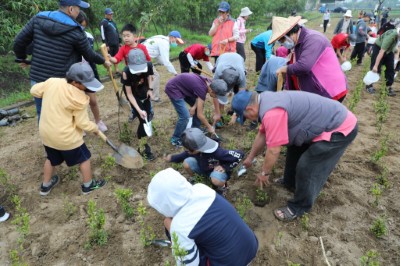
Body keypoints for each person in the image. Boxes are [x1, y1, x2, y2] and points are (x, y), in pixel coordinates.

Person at [232, 90, 358, 221]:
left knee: (308, 166)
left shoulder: (272, 113)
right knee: (294, 147)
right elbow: (262, 135)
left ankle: (299, 207)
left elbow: (274, 150)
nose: (248, 120)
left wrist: (264, 174)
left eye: (245, 116)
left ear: (250, 108)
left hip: (339, 126)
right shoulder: (265, 101)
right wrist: (250, 158)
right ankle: (290, 182)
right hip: (319, 122)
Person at [13, 0, 109, 121]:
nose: (79, 12)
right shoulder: (76, 31)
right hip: (61, 83)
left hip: (38, 80)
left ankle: (47, 140)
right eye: (78, 8)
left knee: (43, 116)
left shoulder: (38, 18)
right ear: (71, 9)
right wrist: (104, 61)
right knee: (64, 118)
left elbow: (18, 42)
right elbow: (89, 54)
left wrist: (22, 58)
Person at [147, 168, 258, 265]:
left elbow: (188, 265)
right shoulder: (201, 189)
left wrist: (172, 230)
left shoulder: (179, 227)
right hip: (251, 246)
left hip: (232, 263)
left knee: (168, 223)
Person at [30, 63, 107, 196]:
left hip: (47, 134)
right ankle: (88, 185)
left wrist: (49, 93)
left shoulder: (52, 82)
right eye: (86, 84)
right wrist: (94, 128)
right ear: (76, 83)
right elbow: (82, 123)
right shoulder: (80, 98)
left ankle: (45, 186)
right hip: (67, 138)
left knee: (51, 158)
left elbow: (34, 90)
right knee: (84, 158)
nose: (88, 88)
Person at [272, 16, 348, 102]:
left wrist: (284, 69)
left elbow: (304, 66)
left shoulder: (313, 39)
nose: (282, 43)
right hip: (313, 93)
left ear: (291, 33)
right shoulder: (294, 44)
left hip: (329, 91)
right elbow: (292, 67)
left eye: (282, 39)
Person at [165, 127, 244, 194]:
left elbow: (240, 154)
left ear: (196, 149)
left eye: (187, 149)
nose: (186, 150)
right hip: (204, 169)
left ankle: (222, 187)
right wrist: (172, 158)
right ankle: (197, 179)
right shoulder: (195, 149)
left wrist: (225, 167)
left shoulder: (217, 152)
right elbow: (184, 155)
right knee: (187, 163)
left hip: (216, 173)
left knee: (215, 180)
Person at [165, 73, 220, 147]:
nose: (216, 97)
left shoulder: (210, 83)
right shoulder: (202, 88)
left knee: (198, 108)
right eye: (216, 95)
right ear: (212, 91)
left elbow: (198, 97)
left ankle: (196, 129)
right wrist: (209, 127)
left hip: (185, 88)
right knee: (185, 116)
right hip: (173, 88)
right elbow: (200, 115)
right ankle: (175, 139)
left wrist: (194, 107)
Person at [76, 11, 108, 132]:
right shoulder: (68, 36)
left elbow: (91, 54)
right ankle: (80, 125)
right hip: (75, 75)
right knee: (78, 103)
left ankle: (98, 121)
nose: (82, 28)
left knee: (93, 101)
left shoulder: (88, 36)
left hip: (88, 73)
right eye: (80, 25)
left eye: (84, 26)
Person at [121, 49, 156, 160]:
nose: (139, 72)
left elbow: (149, 77)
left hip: (144, 89)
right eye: (136, 70)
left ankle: (142, 116)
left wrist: (150, 89)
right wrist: (138, 110)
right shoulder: (126, 73)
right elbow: (129, 94)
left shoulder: (149, 65)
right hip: (133, 93)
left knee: (148, 116)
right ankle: (143, 148)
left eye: (141, 69)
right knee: (143, 118)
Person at [143, 31, 184, 102]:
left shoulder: (160, 38)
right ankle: (154, 98)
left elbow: (159, 58)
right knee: (155, 76)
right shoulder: (164, 43)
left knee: (147, 77)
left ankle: (145, 95)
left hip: (139, 55)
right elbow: (166, 61)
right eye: (176, 41)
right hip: (142, 57)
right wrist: (175, 73)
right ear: (172, 37)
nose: (176, 44)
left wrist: (168, 66)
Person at [365, 28, 399, 97]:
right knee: (375, 68)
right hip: (379, 48)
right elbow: (382, 51)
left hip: (389, 50)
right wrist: (376, 66)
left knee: (391, 69)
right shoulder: (391, 36)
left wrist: (395, 62)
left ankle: (388, 87)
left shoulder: (397, 36)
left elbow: (396, 50)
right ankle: (369, 85)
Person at [100, 8, 121, 76]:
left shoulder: (113, 22)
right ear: (105, 14)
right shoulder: (103, 22)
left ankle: (116, 69)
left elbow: (117, 32)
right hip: (109, 44)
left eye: (111, 14)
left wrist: (119, 42)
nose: (111, 15)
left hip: (116, 43)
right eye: (109, 14)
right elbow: (103, 34)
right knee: (108, 57)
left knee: (115, 56)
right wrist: (106, 44)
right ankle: (110, 71)